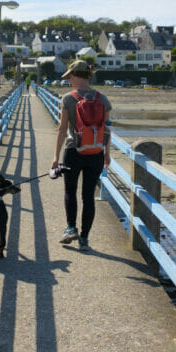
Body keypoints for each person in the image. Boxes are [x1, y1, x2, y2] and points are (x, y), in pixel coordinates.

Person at [51, 60, 112, 250]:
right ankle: (84, 239)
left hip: (73, 150)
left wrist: (55, 156)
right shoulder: (103, 99)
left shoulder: (69, 99)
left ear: (77, 76)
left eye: (70, 76)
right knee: (88, 196)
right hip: (95, 153)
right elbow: (107, 131)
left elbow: (62, 129)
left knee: (70, 191)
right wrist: (106, 154)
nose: (69, 80)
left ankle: (71, 229)